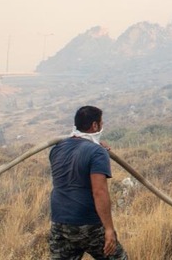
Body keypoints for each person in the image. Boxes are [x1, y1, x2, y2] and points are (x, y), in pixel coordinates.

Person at [49, 106, 128, 260]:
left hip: (59, 222)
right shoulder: (97, 152)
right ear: (95, 126)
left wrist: (97, 147)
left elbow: (75, 165)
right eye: (101, 123)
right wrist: (109, 229)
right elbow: (99, 192)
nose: (102, 126)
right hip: (86, 222)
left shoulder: (56, 149)